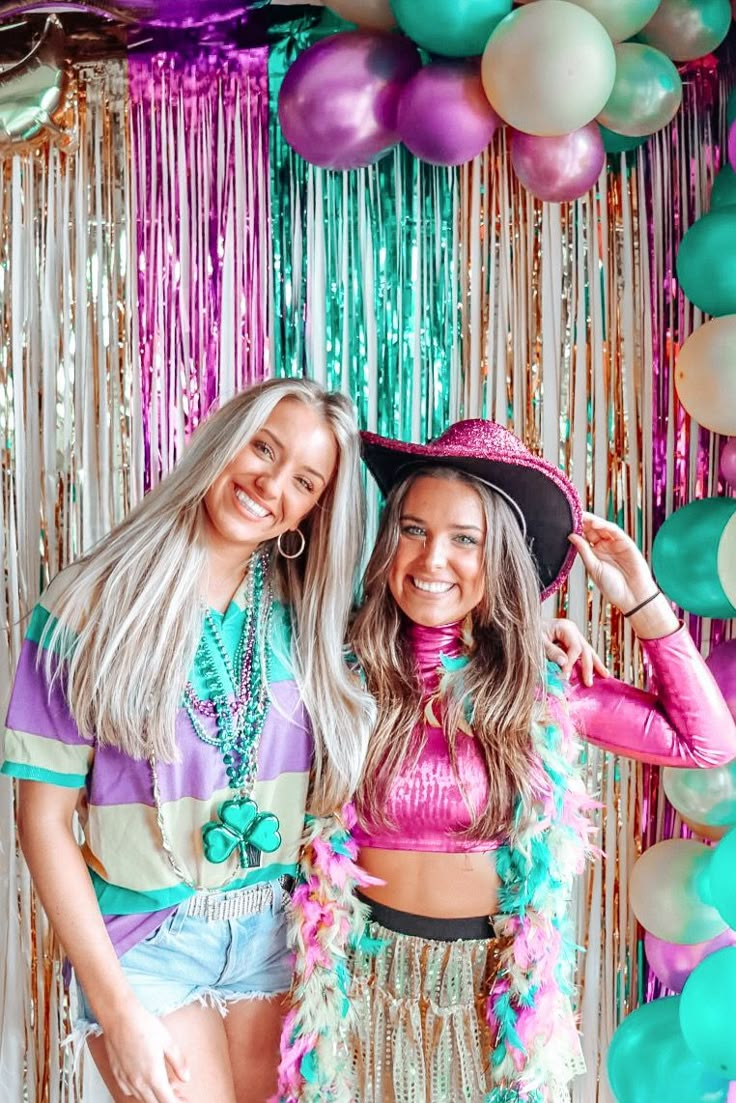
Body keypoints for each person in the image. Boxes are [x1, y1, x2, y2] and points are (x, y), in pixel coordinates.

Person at [274, 418, 736, 1103]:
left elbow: (708, 743)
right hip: (355, 985)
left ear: (501, 559)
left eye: (466, 539)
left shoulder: (540, 686)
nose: (433, 560)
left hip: (496, 997)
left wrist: (641, 600)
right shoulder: (337, 668)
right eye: (414, 530)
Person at [2, 378, 378, 1103]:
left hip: (279, 930)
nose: (270, 483)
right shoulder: (88, 604)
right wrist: (116, 1007)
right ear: (223, 439)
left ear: (311, 510)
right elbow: (42, 821)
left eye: (303, 480)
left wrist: (544, 644)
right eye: (263, 447)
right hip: (149, 938)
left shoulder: (312, 615)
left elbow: (442, 642)